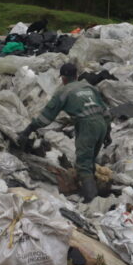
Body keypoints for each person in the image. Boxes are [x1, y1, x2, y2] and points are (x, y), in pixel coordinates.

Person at [18, 62, 111, 202]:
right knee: (90, 159)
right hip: (101, 124)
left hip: (87, 125)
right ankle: (91, 190)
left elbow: (45, 117)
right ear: (77, 75)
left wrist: (27, 131)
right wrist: (108, 133)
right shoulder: (88, 87)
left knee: (83, 164)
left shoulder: (63, 92)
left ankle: (91, 200)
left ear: (63, 78)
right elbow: (105, 111)